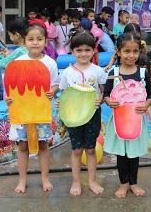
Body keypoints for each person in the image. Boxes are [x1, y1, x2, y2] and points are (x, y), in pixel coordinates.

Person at [8, 22, 59, 193]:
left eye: (39, 39)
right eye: (31, 39)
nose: (35, 42)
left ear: (45, 41)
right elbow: (10, 86)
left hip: (41, 112)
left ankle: (45, 178)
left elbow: (55, 84)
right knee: (23, 145)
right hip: (22, 113)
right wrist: (8, 99)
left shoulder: (50, 63)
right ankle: (22, 180)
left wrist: (53, 91)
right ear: (24, 41)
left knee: (43, 144)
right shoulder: (18, 62)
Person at [103, 33, 151, 198]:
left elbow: (150, 95)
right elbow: (107, 93)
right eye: (126, 51)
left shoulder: (142, 73)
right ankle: (123, 184)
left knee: (134, 153)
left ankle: (134, 183)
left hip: (136, 121)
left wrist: (146, 105)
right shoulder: (114, 71)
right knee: (121, 154)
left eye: (134, 51)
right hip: (119, 121)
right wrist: (109, 101)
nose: (131, 55)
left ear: (139, 52)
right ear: (118, 52)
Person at [59, 32, 107, 196]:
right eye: (79, 50)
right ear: (72, 51)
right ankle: (76, 182)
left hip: (93, 115)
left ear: (93, 51)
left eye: (87, 50)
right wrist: (60, 104)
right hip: (74, 117)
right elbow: (64, 94)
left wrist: (100, 101)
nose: (83, 54)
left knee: (91, 149)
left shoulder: (98, 71)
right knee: (77, 150)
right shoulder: (66, 73)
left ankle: (92, 181)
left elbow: (103, 93)